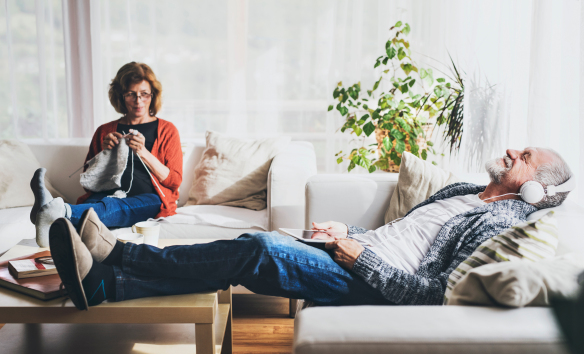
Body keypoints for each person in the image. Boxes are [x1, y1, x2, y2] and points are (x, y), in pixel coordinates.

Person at [48, 147, 573, 311]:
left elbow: (437, 294)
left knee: (260, 249)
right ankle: (111, 285)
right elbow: (401, 230)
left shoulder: (503, 219)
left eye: (523, 156)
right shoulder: (462, 192)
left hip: (375, 285)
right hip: (359, 252)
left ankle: (118, 259)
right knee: (247, 248)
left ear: (536, 188)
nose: (509, 152)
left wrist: (356, 257)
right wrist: (346, 230)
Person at [30, 62, 183, 247]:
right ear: (121, 96)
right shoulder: (105, 131)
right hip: (107, 193)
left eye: (144, 94)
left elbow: (174, 181)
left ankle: (55, 211)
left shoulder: (167, 130)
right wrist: (104, 153)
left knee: (111, 207)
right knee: (101, 203)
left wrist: (143, 152)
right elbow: (88, 181)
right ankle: (51, 219)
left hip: (149, 199)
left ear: (153, 95)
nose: (138, 101)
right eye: (131, 94)